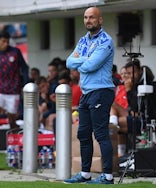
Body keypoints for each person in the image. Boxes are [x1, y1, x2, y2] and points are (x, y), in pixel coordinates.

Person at [64, 7, 115, 184]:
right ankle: (85, 173)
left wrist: (82, 60)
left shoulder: (106, 41)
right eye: (86, 17)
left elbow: (89, 67)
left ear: (100, 20)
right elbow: (69, 62)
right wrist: (86, 59)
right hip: (86, 93)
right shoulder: (83, 40)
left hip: (101, 91)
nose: (88, 20)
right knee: (83, 134)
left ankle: (108, 176)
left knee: (100, 135)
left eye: (92, 17)